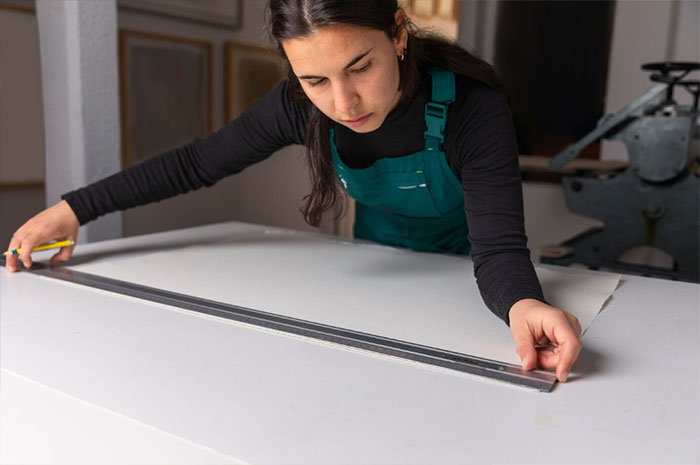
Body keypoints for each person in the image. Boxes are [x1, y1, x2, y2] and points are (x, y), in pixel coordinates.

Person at [5, 0, 582, 382]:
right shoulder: (298, 108)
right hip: (373, 267)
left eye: (360, 67)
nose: (343, 103)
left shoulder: (473, 110)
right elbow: (198, 163)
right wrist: (73, 209)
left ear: (398, 35)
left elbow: (500, 251)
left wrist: (523, 304)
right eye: (314, 80)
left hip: (467, 278)